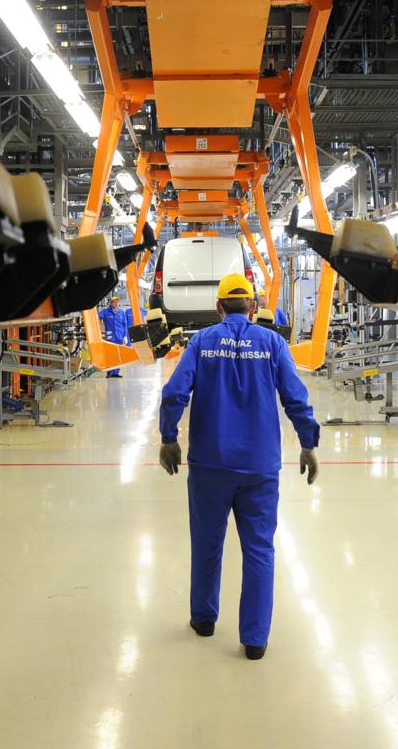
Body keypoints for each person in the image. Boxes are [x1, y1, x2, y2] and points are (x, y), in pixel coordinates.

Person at [158, 273, 320, 660]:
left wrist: (168, 438)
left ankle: (204, 620)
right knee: (260, 550)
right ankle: (255, 640)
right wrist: (308, 443)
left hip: (209, 464)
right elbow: (296, 398)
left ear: (218, 307)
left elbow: (175, 393)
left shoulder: (201, 342)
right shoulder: (273, 343)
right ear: (253, 306)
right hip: (259, 467)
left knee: (207, 545)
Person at [99, 295, 129, 378]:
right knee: (110, 354)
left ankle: (116, 372)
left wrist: (125, 336)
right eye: (113, 302)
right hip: (110, 337)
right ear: (111, 303)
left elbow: (125, 325)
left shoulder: (122, 313)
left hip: (119, 336)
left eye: (116, 302)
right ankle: (110, 372)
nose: (115, 303)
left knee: (118, 355)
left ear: (118, 303)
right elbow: (97, 317)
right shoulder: (106, 312)